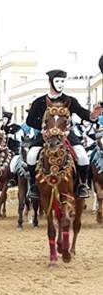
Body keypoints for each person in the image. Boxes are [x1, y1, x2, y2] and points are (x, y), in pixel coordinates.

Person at [25, 69, 97, 200]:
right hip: (45, 136)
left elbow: (82, 112)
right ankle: (33, 186)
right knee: (31, 155)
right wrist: (42, 128)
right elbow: (29, 120)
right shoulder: (39, 101)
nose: (60, 84)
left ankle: (82, 185)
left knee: (82, 156)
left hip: (66, 136)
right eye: (57, 81)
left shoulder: (70, 100)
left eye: (62, 81)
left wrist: (92, 116)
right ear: (50, 82)